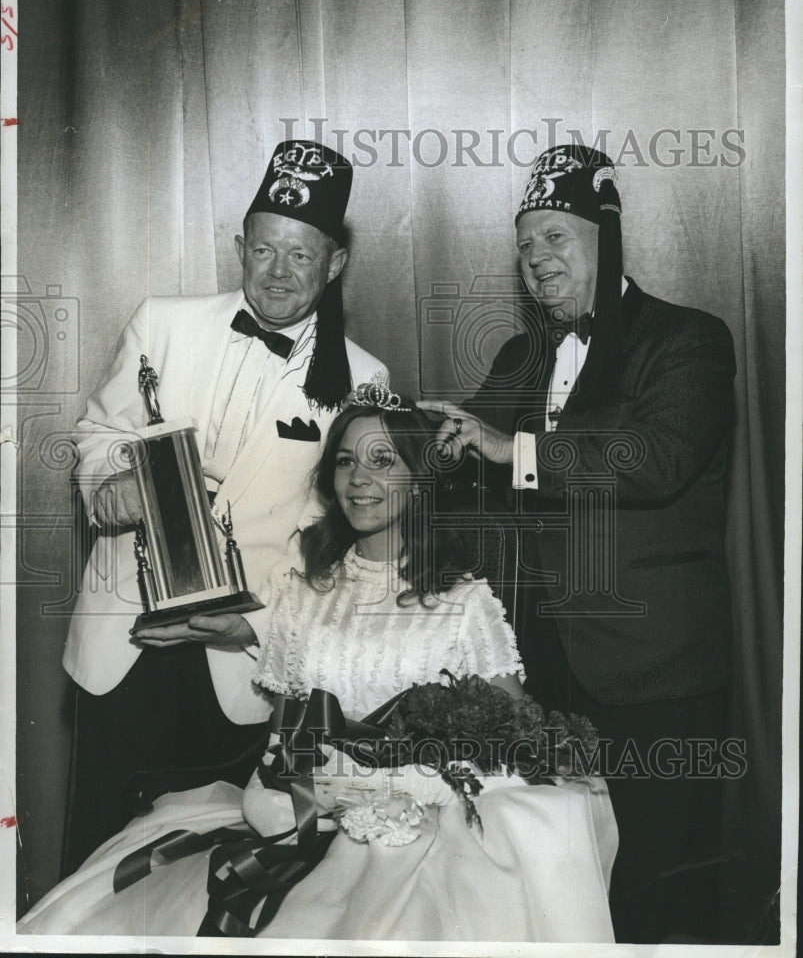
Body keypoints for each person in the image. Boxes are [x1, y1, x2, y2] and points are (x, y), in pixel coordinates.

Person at [19, 394, 618, 943]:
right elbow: (286, 737)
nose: (360, 479)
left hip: (428, 826)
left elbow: (511, 736)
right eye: (346, 461)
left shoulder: (464, 601)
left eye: (384, 460)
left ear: (420, 481)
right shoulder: (306, 588)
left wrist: (420, 789)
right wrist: (293, 798)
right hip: (312, 817)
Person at [420, 144, 736, 943]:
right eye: (525, 245)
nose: (535, 260)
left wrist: (510, 451)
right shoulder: (518, 357)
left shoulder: (688, 339)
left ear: (607, 237)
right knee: (563, 896)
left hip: (654, 675)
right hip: (545, 675)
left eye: (555, 237)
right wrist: (407, 437)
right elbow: (464, 456)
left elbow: (656, 460)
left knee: (663, 892)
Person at [61, 140, 388, 873]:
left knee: (208, 872)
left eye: (300, 256)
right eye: (264, 250)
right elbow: (101, 433)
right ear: (240, 246)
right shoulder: (162, 323)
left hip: (238, 663)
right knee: (94, 865)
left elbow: (337, 538)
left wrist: (256, 624)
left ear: (334, 264)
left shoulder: (364, 377)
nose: (277, 274)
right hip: (124, 646)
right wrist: (108, 482)